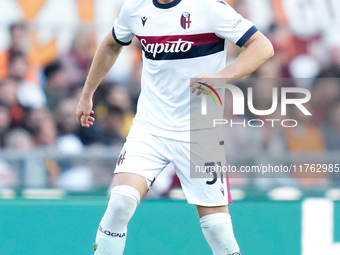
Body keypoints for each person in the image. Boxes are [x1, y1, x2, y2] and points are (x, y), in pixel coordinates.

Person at [76, 0, 273, 254]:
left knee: (218, 230)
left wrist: (222, 76)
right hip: (150, 127)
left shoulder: (210, 8)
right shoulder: (135, 8)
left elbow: (263, 46)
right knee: (120, 203)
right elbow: (112, 43)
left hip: (200, 130)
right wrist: (86, 94)